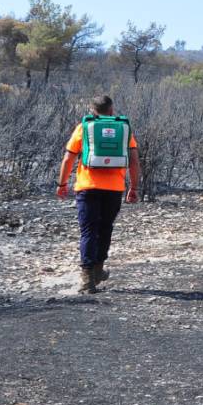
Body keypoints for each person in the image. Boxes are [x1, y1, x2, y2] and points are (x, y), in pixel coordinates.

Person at [56, 95, 141, 294]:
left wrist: (62, 183)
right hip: (114, 189)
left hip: (87, 187)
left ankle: (87, 279)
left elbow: (69, 157)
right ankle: (98, 269)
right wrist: (134, 187)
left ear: (92, 111)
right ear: (112, 110)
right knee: (105, 228)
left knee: (88, 231)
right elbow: (134, 161)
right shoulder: (123, 129)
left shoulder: (84, 128)